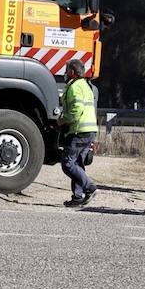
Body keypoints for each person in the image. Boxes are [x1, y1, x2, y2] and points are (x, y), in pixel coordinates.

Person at [59, 58, 98, 208]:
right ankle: (77, 197)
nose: (65, 73)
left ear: (72, 72)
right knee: (78, 165)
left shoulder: (75, 87)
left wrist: (62, 121)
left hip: (79, 130)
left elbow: (76, 110)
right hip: (89, 130)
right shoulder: (86, 86)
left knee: (68, 164)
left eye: (67, 70)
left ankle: (90, 187)